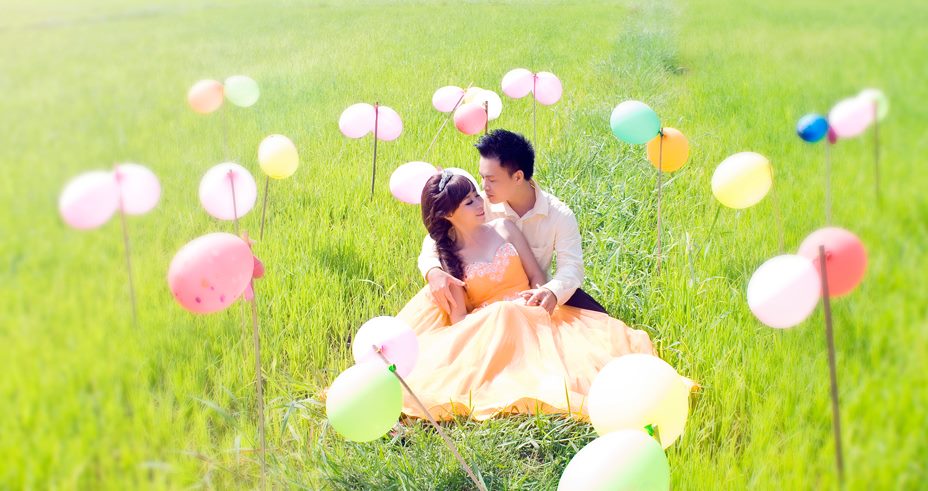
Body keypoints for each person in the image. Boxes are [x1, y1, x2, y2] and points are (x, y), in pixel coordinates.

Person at [396, 170, 655, 420]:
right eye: (469, 202)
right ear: (448, 214)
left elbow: (536, 275)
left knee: (588, 359)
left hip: (532, 310)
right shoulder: (448, 259)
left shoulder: (504, 228)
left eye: (476, 195)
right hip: (493, 329)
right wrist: (497, 313)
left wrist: (538, 296)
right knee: (504, 314)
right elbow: (459, 321)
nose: (479, 203)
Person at [417, 129, 609, 318]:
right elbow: (436, 238)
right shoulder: (478, 204)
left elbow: (572, 267)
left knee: (601, 323)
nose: (484, 186)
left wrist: (551, 291)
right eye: (482, 177)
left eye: (491, 179)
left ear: (517, 177)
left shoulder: (559, 215)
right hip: (488, 313)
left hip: (539, 294)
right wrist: (432, 270)